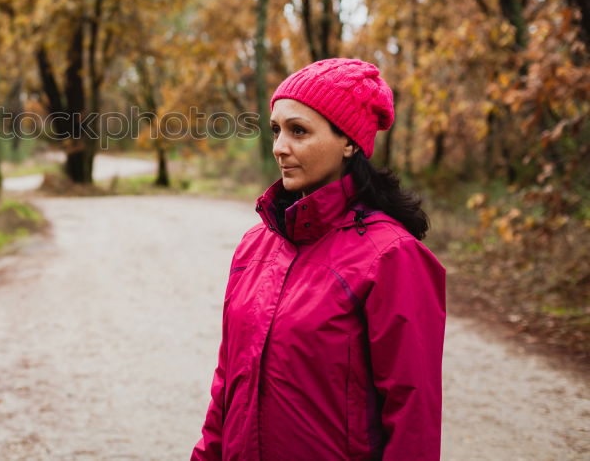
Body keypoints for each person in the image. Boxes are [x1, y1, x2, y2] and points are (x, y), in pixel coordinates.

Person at [191, 58, 446, 461]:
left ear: (348, 142)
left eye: (299, 131)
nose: (279, 147)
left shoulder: (392, 256)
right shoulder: (254, 246)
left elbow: (412, 413)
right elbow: (227, 383)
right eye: (276, 130)